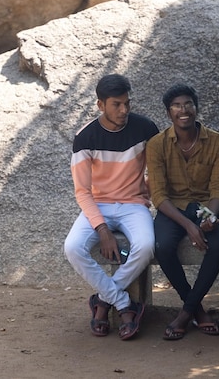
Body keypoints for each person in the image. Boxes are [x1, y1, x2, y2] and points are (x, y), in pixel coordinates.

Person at [64, 74, 159, 340]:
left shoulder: (145, 128)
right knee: (72, 247)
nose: (124, 110)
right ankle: (125, 304)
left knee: (146, 246)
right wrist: (102, 230)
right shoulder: (85, 137)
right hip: (98, 205)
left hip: (134, 205)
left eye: (127, 103)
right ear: (100, 105)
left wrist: (153, 194)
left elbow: (157, 172)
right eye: (116, 104)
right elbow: (82, 192)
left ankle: (104, 301)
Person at [146, 83, 219, 340]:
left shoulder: (218, 142)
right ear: (169, 112)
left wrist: (209, 217)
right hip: (175, 209)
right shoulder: (157, 144)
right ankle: (196, 310)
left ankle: (185, 314)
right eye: (177, 106)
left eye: (189, 104)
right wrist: (189, 226)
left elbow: (218, 190)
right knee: (162, 246)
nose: (184, 110)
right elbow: (158, 195)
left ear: (196, 108)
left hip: (206, 207)